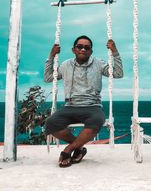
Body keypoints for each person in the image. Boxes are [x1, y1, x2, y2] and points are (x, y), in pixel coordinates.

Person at [44, 35, 123, 167]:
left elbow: (118, 74)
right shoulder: (65, 65)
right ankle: (79, 148)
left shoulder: (99, 64)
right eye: (79, 47)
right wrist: (51, 56)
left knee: (97, 121)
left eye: (87, 47)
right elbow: (48, 78)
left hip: (92, 106)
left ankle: (68, 150)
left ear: (91, 51)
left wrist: (114, 52)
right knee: (50, 124)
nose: (83, 49)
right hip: (70, 106)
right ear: (73, 49)